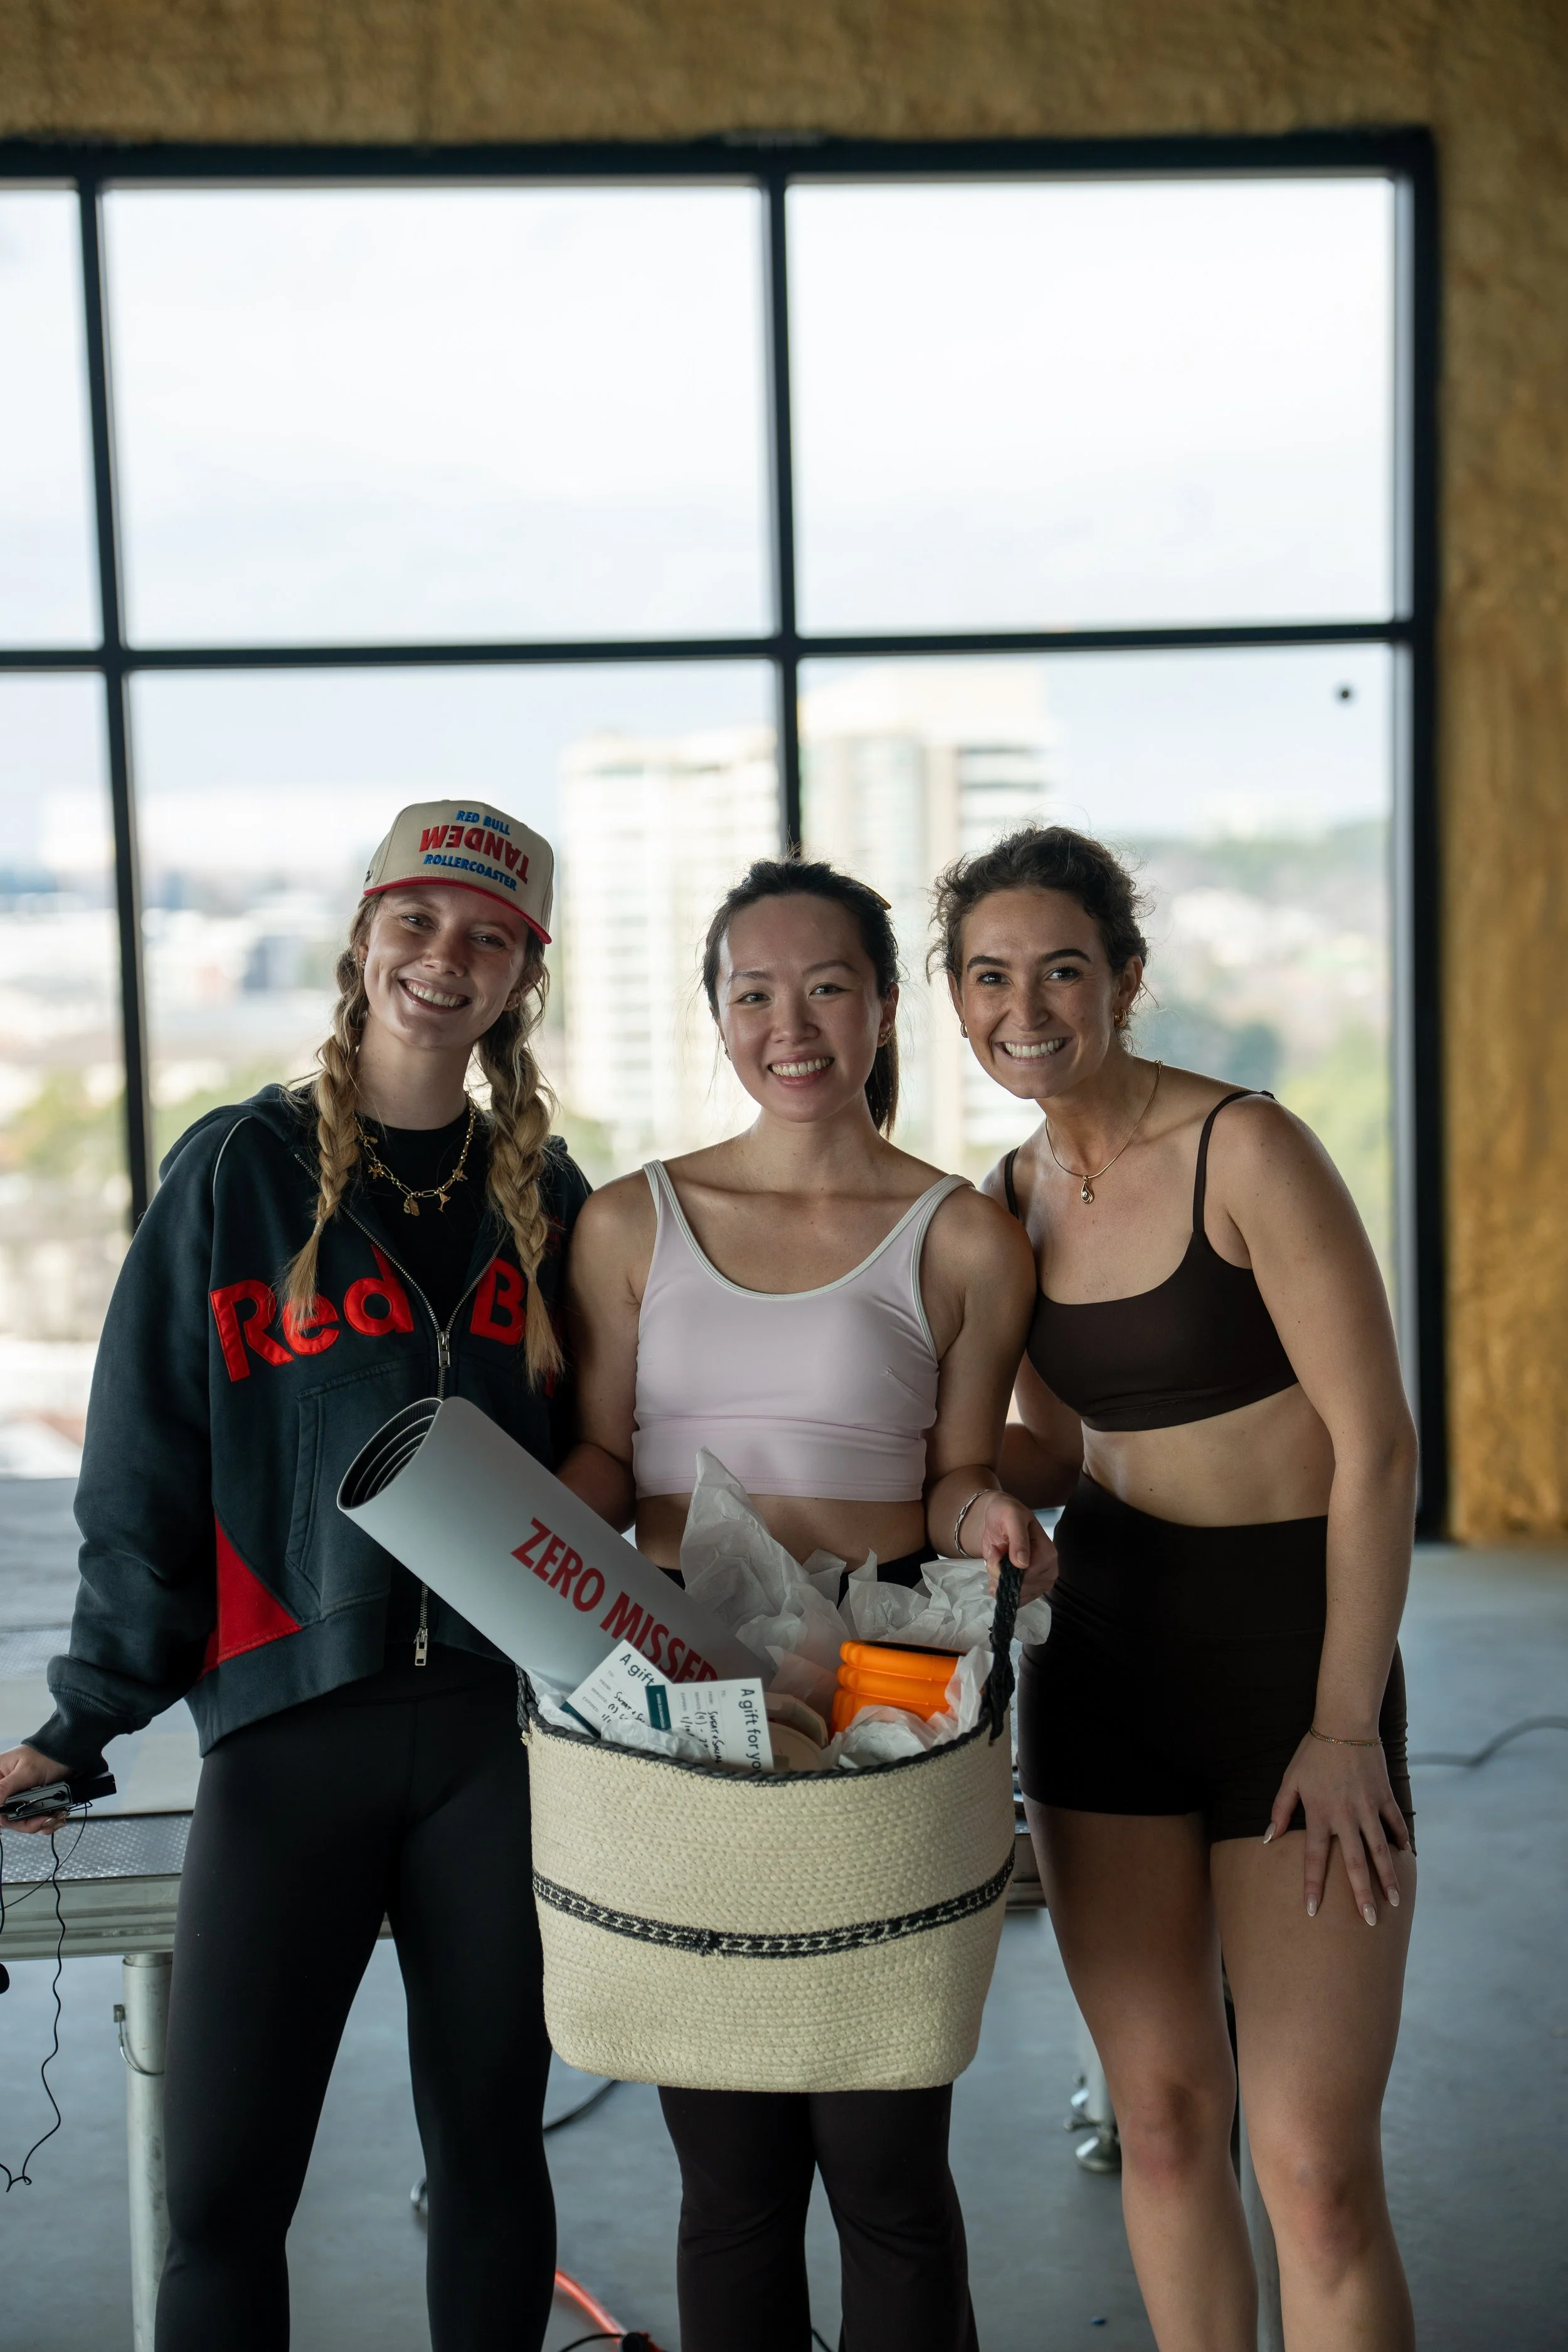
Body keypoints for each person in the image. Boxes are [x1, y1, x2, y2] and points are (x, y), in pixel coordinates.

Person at [0, 802, 587, 2352]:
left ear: (523, 973)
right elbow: (145, 1462)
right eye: (415, 922)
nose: (442, 959)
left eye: (485, 937)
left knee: (488, 2156)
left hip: (493, 1747)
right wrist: (86, 1718)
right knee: (224, 2200)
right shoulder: (236, 1175)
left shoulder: (550, 1197)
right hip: (281, 1736)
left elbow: (602, 1469)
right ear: (361, 939)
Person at [557, 856, 1054, 2352]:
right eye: (753, 993)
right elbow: (595, 1453)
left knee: (889, 2169)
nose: (791, 1024)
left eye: (826, 986)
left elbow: (956, 1475)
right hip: (677, 1705)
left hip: (878, 1703)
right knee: (730, 2181)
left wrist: (996, 1516)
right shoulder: (631, 1224)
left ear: (883, 1006)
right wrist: (509, 1539)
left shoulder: (960, 1235)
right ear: (712, 1015)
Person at [935, 822, 1417, 2352]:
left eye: (1060, 968)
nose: (1026, 1006)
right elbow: (1069, 1453)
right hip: (1108, 1665)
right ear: (953, 1002)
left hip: (1293, 1668)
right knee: (1157, 2121)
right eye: (989, 975)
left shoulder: (1246, 1149)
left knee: (1314, 2171)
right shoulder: (1004, 1198)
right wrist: (913, 1463)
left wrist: (1343, 1725)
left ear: (1123, 980)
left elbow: (1379, 1449)